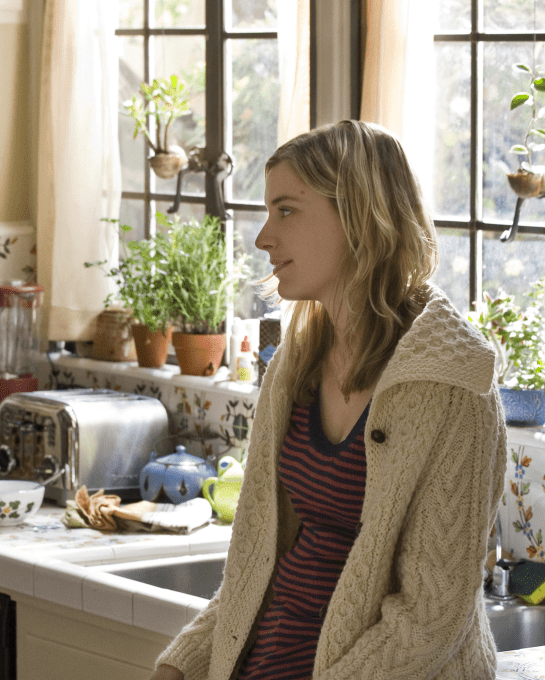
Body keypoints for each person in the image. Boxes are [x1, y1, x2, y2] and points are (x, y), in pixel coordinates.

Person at [149, 121, 507, 680]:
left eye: (286, 211)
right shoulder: (297, 363)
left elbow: (429, 620)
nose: (264, 237)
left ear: (360, 218)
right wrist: (181, 665)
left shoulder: (455, 386)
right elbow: (256, 570)